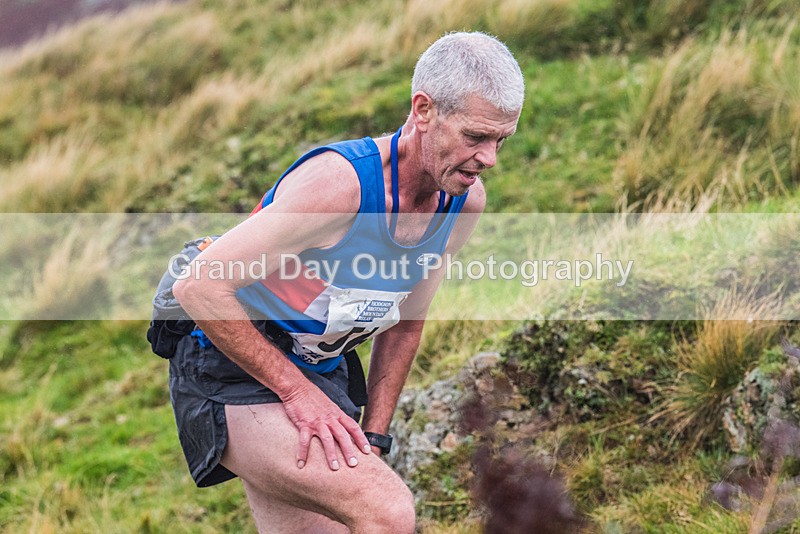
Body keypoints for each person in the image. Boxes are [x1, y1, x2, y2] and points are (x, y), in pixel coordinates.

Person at [170, 31, 524, 533]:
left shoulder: (463, 201)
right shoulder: (339, 188)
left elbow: (404, 326)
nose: (490, 158)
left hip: (319, 370)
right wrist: (297, 395)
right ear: (423, 110)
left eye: (500, 140)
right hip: (225, 363)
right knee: (386, 510)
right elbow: (199, 287)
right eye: (475, 137)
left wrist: (375, 436)